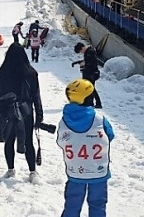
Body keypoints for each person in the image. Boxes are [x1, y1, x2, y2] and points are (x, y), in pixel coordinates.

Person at [57, 78, 114, 217]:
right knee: (98, 204)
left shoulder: (64, 121)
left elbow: (60, 141)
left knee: (72, 204)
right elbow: (110, 136)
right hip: (98, 172)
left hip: (75, 172)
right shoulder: (100, 120)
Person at [0, 42, 43, 183]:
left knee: (9, 140)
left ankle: (10, 170)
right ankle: (32, 172)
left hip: (7, 111)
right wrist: (39, 113)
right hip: (26, 111)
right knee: (28, 141)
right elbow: (36, 95)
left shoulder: (2, 72)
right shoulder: (30, 72)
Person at [73, 42, 102, 108]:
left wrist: (84, 66)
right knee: (89, 88)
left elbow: (92, 63)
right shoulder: (88, 52)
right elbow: (86, 61)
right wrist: (79, 63)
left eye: (80, 51)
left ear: (82, 48)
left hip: (92, 74)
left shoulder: (90, 52)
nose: (81, 52)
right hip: (90, 73)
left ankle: (96, 103)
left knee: (90, 88)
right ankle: (90, 102)